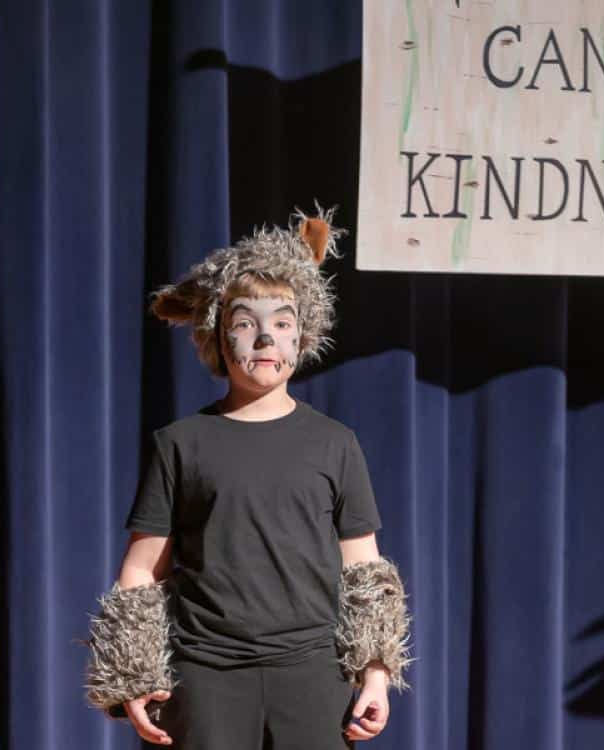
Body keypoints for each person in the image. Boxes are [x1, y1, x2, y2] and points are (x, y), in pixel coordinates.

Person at [82, 205, 413, 749]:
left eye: (281, 324)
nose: (264, 340)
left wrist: (375, 674)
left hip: (313, 674)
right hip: (207, 675)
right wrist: (134, 676)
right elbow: (143, 571)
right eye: (244, 324)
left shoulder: (335, 443)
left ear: (301, 336)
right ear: (218, 336)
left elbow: (364, 568)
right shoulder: (180, 443)